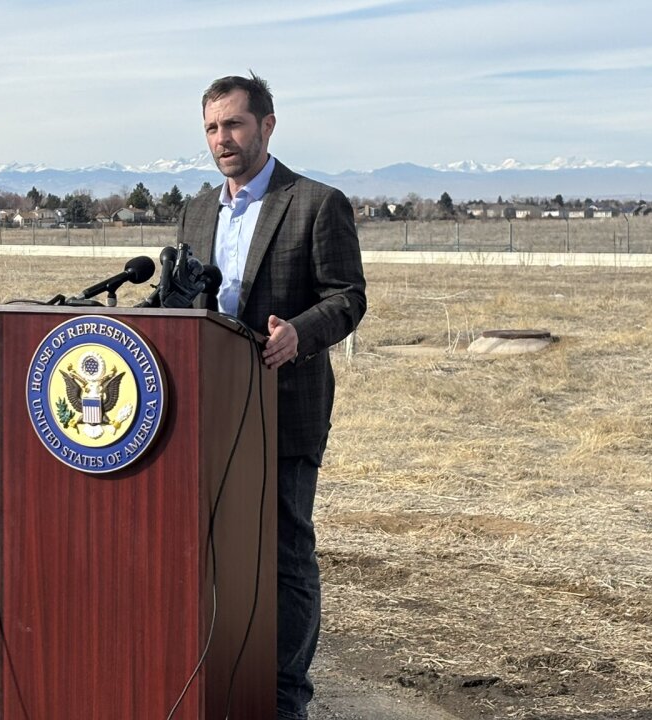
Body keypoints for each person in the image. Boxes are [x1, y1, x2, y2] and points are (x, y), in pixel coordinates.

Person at [177, 73, 366, 719]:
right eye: (211, 127)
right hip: (204, 414)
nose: (221, 139)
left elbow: (347, 297)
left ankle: (285, 700)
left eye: (233, 124)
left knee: (284, 554)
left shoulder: (315, 203)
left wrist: (300, 334)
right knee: (207, 549)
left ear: (267, 125)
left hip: (285, 409)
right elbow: (179, 302)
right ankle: (217, 681)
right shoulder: (196, 210)